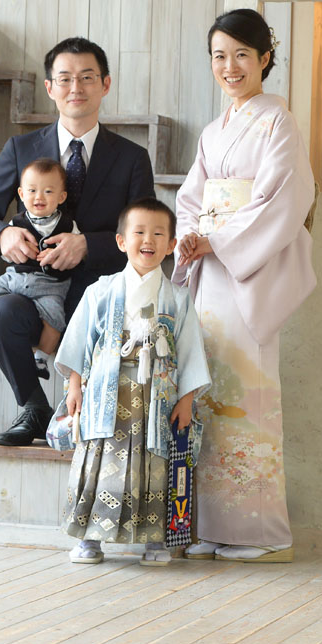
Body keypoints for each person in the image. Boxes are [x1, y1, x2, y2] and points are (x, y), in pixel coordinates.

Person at [173, 8, 316, 564]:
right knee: (207, 393)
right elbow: (191, 199)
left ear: (264, 58)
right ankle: (213, 526)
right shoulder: (214, 132)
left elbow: (283, 199)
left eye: (241, 55)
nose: (229, 66)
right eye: (219, 56)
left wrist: (216, 240)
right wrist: (190, 237)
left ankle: (262, 533)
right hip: (210, 273)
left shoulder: (278, 121)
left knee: (247, 396)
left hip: (245, 274)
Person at [0, 37, 155, 446]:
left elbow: (145, 234)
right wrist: (3, 234)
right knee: (0, 310)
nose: (75, 88)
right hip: (34, 294)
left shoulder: (132, 157)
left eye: (87, 77)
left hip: (100, 293)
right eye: (65, 78)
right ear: (50, 87)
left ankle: (95, 422)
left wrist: (88, 244)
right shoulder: (20, 148)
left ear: (105, 84)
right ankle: (34, 408)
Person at [55, 198, 210, 566]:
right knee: (98, 462)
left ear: (172, 245)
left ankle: (155, 542)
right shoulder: (100, 291)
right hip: (106, 393)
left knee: (156, 464)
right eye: (139, 232)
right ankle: (90, 539)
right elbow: (80, 342)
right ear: (121, 241)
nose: (148, 240)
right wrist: (75, 386)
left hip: (158, 397)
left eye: (158, 233)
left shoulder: (178, 298)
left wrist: (186, 400)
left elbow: (190, 350)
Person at [0, 158, 77, 380]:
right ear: (21, 194)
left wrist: (58, 253)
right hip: (15, 279)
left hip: (50, 285)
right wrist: (8, 244)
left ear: (61, 197)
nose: (39, 197)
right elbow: (4, 249)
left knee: (56, 318)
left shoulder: (68, 224)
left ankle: (41, 358)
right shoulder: (16, 223)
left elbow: (74, 249)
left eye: (48, 191)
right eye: (32, 191)